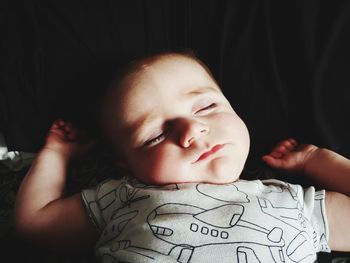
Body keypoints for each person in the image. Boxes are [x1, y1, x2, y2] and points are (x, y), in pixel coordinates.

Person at [14, 51, 350, 262]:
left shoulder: (293, 205)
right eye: (156, 135)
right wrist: (57, 154)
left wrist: (316, 160)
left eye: (206, 106)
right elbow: (35, 223)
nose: (192, 131)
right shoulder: (126, 196)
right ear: (127, 165)